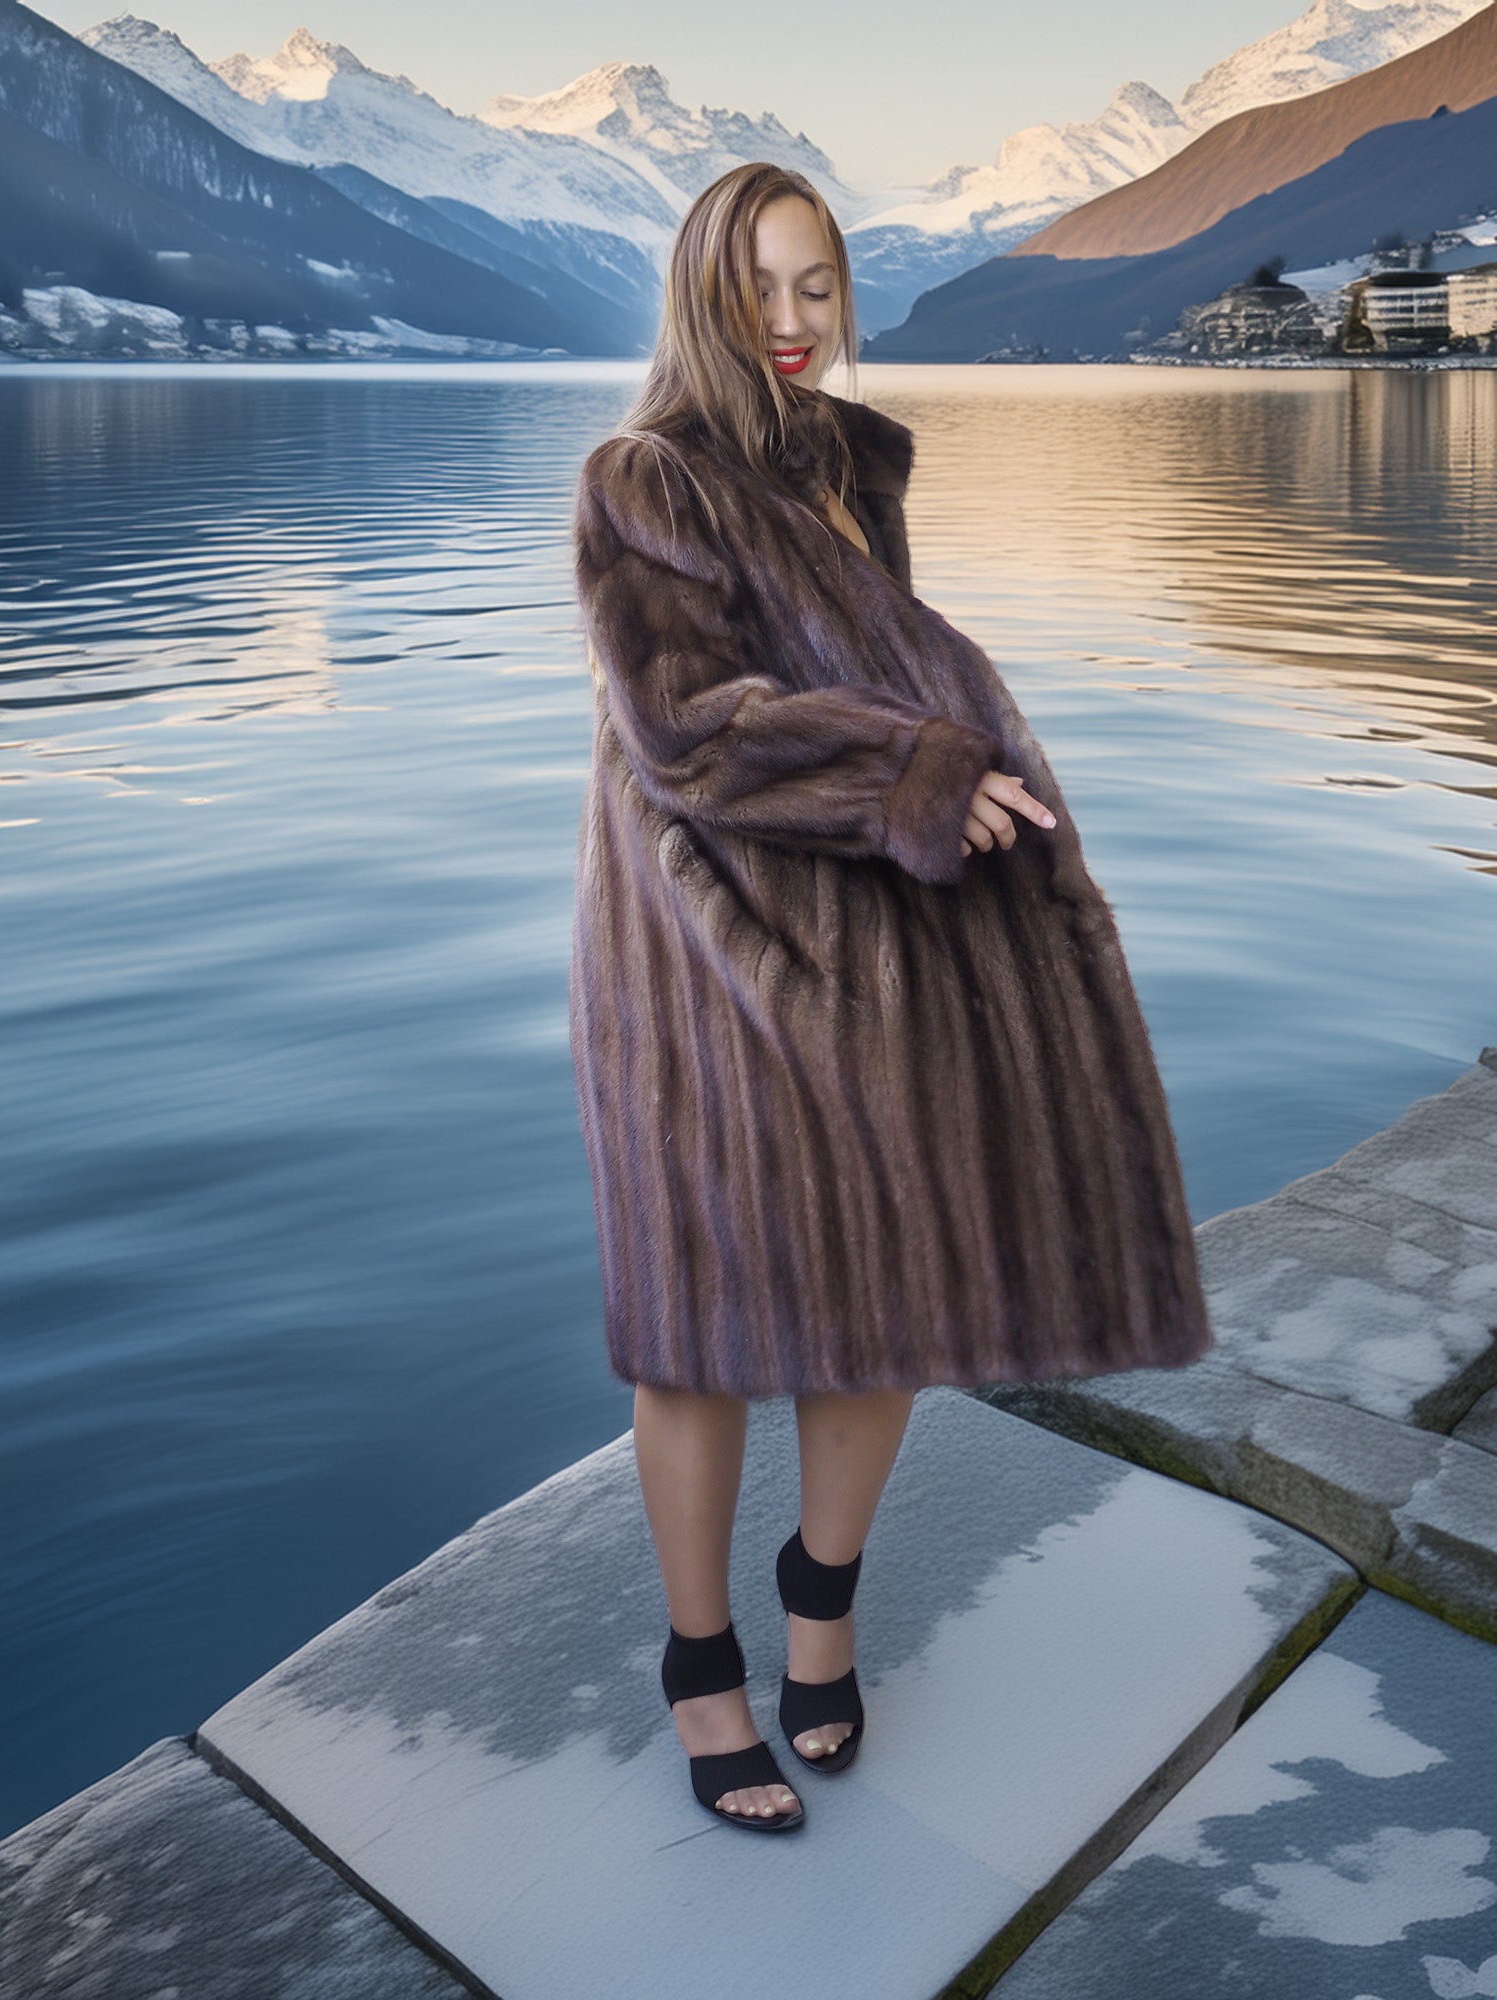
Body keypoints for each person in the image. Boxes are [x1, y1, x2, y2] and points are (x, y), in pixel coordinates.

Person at [568, 163, 1214, 1833]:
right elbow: (694, 728)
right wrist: (918, 774)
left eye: (818, 288)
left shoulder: (858, 463)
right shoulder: (642, 479)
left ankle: (823, 1594)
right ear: (703, 293)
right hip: (702, 945)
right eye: (758, 289)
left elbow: (875, 661)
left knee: (891, 1279)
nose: (792, 325)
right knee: (702, 1327)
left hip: (869, 935)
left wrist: (941, 787)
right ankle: (700, 1658)